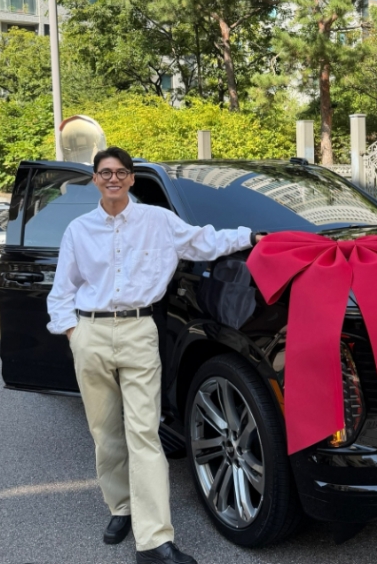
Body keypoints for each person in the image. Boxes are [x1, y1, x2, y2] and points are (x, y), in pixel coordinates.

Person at [47, 146, 264, 564]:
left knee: (144, 434)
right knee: (105, 431)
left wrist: (250, 237)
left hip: (139, 332)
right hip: (91, 333)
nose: (113, 178)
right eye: (105, 172)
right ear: (95, 180)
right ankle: (121, 508)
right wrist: (74, 333)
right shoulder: (78, 230)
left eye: (121, 172)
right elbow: (62, 291)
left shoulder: (158, 221)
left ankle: (153, 540)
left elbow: (204, 241)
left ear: (131, 179)